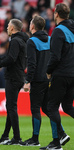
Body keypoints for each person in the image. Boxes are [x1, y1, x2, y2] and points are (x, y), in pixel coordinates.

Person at [23, 15, 69, 146]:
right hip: (50, 79)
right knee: (49, 109)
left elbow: (32, 64)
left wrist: (27, 81)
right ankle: (61, 134)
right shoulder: (50, 39)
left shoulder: (31, 42)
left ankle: (35, 139)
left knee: (35, 109)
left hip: (37, 80)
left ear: (32, 26)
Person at [0, 19, 29, 145]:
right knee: (10, 107)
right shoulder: (22, 40)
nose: (6, 28)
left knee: (11, 107)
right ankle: (5, 135)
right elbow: (7, 57)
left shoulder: (15, 41)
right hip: (18, 77)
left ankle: (16, 138)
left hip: (13, 77)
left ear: (12, 28)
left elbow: (10, 59)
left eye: (8, 26)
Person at [40, 3, 74, 150]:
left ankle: (56, 143)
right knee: (67, 106)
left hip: (60, 74)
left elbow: (55, 56)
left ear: (56, 14)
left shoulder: (58, 31)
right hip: (73, 74)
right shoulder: (73, 29)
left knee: (51, 106)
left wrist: (48, 70)